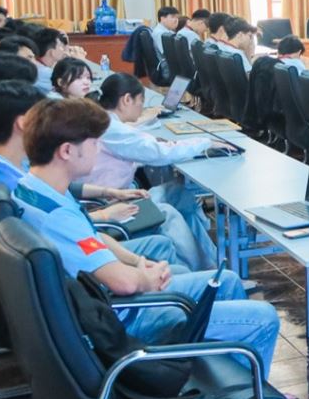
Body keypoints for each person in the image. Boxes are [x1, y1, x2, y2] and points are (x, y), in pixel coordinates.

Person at [10, 97, 291, 399]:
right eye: (94, 143)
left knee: (228, 281)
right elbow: (124, 285)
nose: (98, 149)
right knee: (263, 318)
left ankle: (240, 393)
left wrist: (136, 262)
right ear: (67, 151)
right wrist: (145, 278)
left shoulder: (34, 189)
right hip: (120, 320)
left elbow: (93, 237)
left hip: (100, 305)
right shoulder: (56, 216)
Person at [0, 81, 177, 261]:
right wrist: (104, 216)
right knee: (165, 223)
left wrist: (107, 193)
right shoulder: (5, 184)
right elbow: (58, 228)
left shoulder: (10, 166)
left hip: (86, 234)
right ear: (24, 123)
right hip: (85, 251)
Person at [89, 74, 230, 270]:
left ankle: (210, 260)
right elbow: (159, 153)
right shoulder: (112, 129)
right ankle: (201, 270)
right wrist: (205, 143)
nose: (142, 107)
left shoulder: (107, 122)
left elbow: (139, 146)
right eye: (141, 101)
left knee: (180, 193)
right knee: (168, 213)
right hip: (111, 204)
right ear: (126, 100)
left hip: (117, 195)